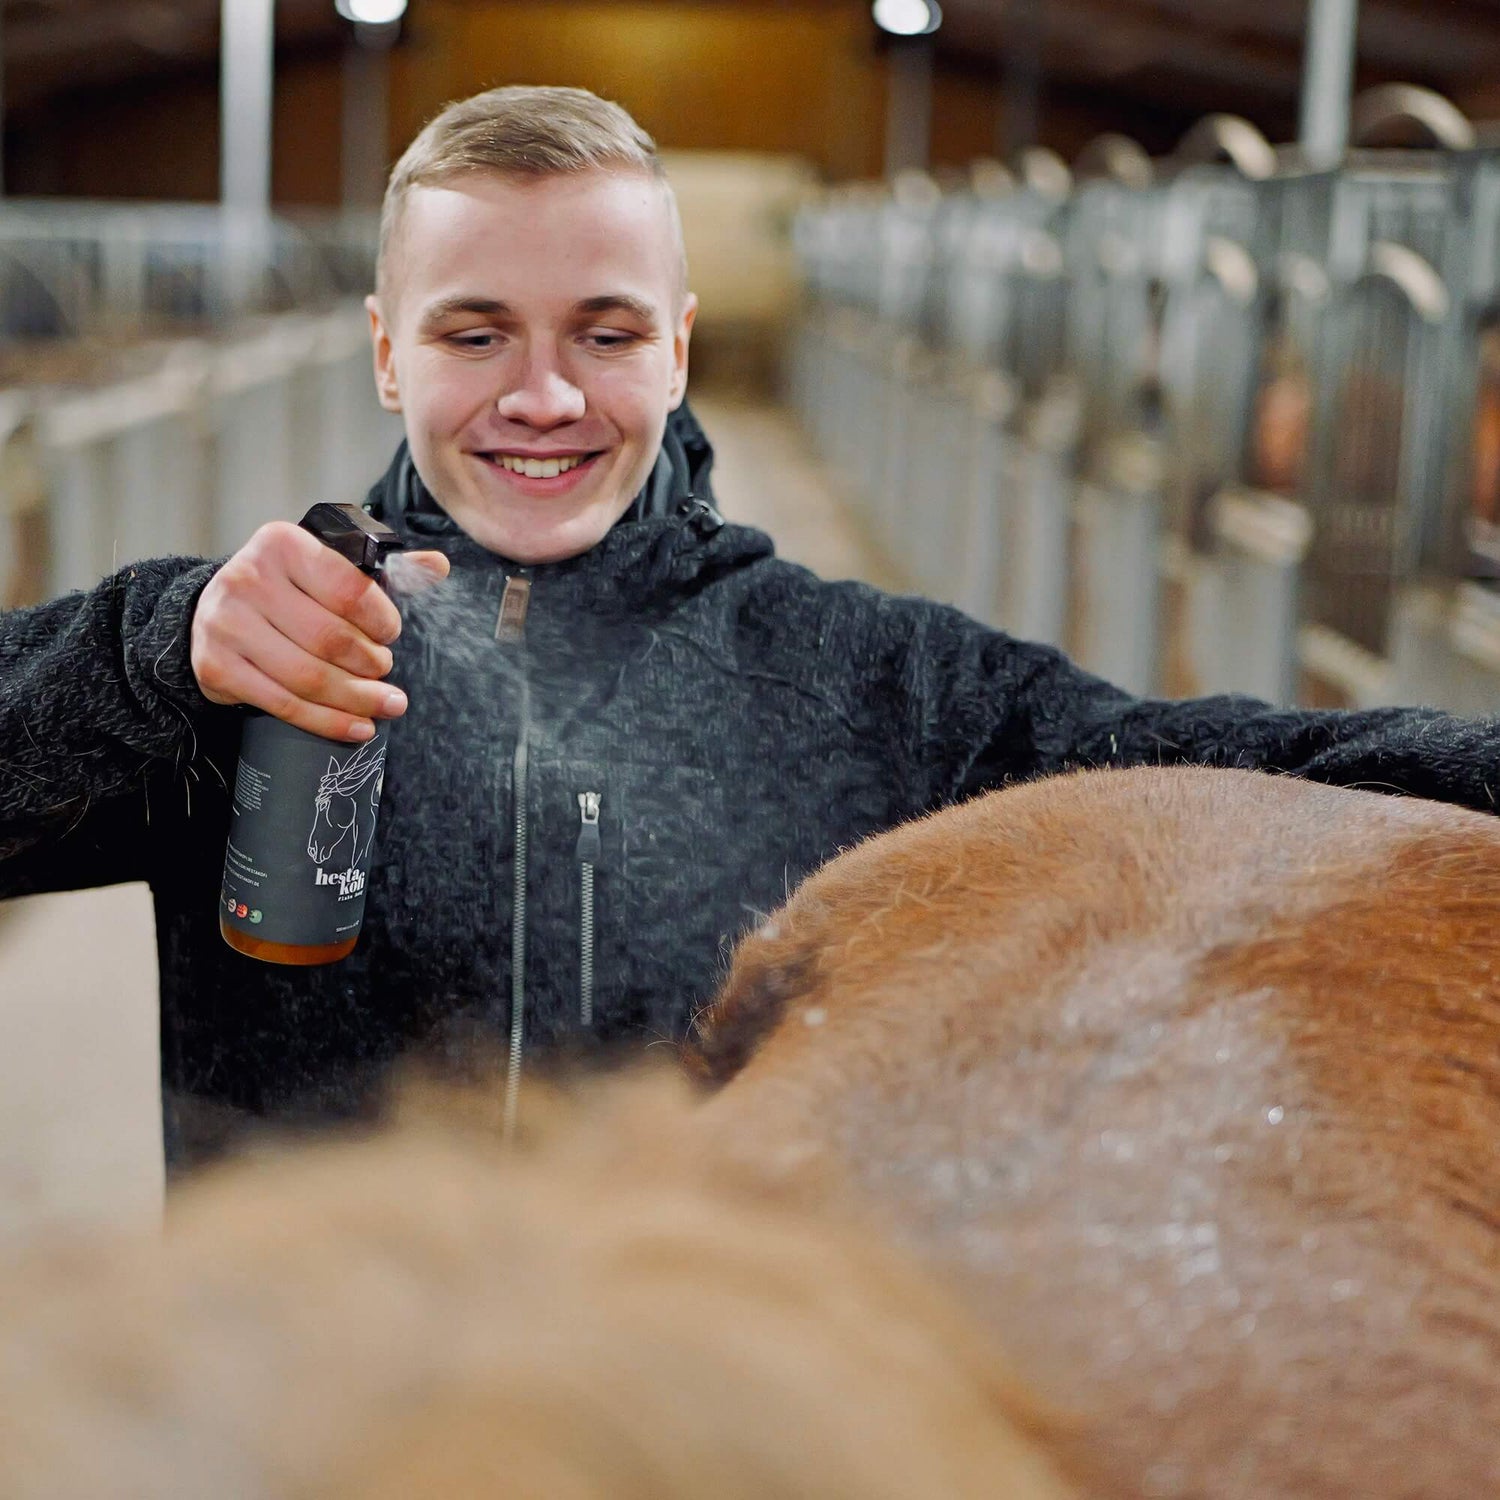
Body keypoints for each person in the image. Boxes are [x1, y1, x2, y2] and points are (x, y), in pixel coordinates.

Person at [2, 85, 1498, 1167]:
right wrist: (147, 650)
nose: (543, 396)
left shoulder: (869, 682)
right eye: (475, 332)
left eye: (605, 332)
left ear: (678, 349)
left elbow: (1223, 765)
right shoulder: (265, 661)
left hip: (699, 1418)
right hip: (303, 1416)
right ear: (390, 355)